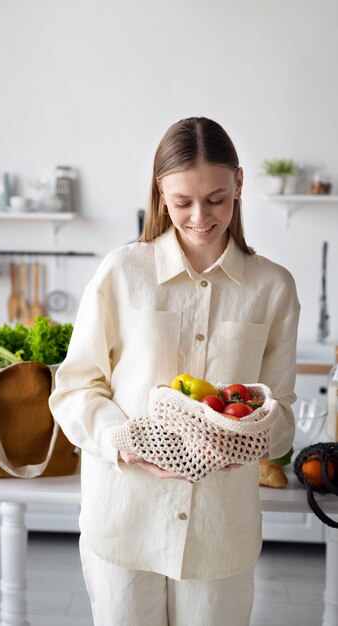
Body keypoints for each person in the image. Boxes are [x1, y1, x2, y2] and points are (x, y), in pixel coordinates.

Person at [49, 116, 300, 626]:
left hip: (219, 534)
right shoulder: (122, 272)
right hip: (124, 520)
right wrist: (125, 440)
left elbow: (283, 412)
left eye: (216, 198)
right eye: (182, 201)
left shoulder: (273, 287)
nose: (200, 216)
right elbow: (75, 387)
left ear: (239, 185)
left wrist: (248, 438)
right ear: (160, 193)